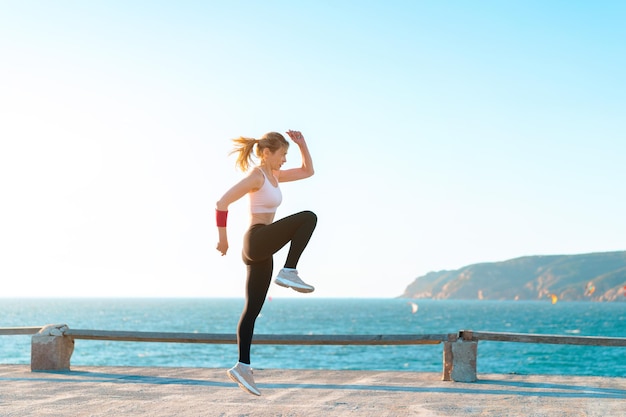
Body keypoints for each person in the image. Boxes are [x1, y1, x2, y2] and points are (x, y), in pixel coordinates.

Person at [215, 130, 317, 396]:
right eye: (282, 154)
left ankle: (242, 366)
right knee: (307, 218)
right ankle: (289, 270)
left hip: (262, 248)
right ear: (267, 153)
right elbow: (222, 202)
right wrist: (223, 240)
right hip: (257, 239)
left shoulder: (276, 176)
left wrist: (302, 144)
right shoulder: (257, 176)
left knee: (252, 310)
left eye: (286, 155)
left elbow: (308, 171)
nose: (284, 160)